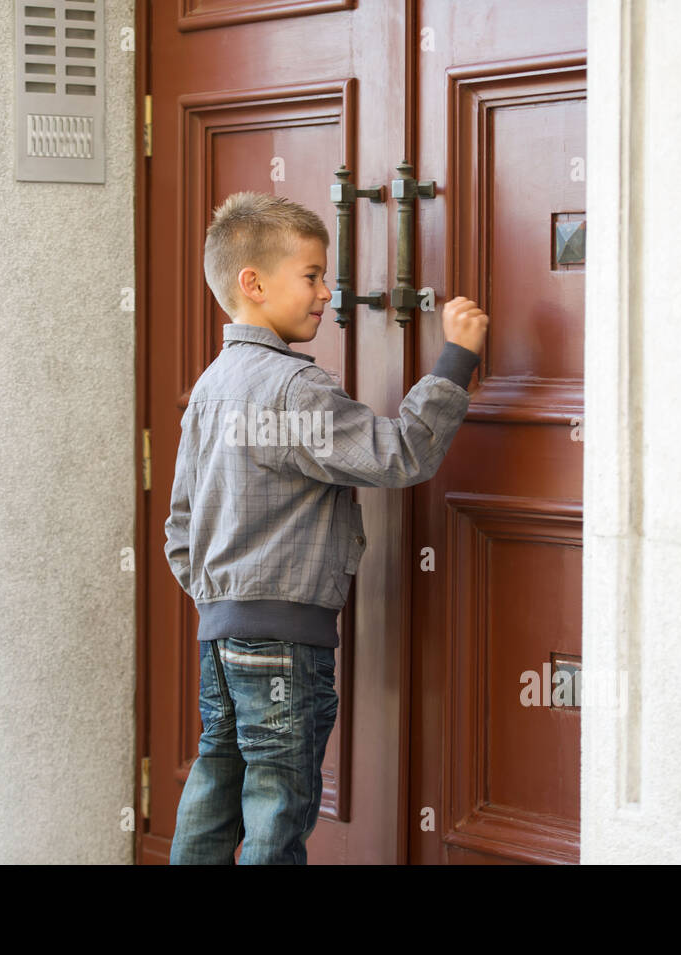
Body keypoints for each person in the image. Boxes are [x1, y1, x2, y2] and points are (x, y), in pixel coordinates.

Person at [164, 190, 488, 864]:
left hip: (220, 637)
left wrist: (220, 600)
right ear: (252, 283)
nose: (325, 293)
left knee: (215, 785)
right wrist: (456, 357)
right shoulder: (295, 388)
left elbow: (179, 527)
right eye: (311, 276)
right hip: (285, 643)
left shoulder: (211, 385)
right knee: (277, 812)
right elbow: (402, 453)